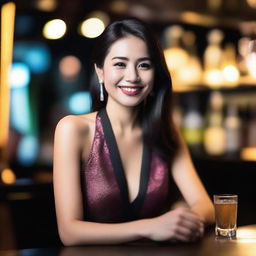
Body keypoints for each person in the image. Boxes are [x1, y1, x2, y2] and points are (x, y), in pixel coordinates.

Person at [53, 18, 214, 246]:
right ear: (100, 72)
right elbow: (70, 232)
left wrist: (180, 220)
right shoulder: (73, 129)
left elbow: (206, 206)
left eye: (144, 65)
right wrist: (153, 226)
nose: (133, 76)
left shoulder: (164, 131)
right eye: (120, 64)